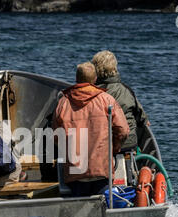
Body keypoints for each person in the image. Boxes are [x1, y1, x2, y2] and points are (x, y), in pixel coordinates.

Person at [52, 62, 129, 197]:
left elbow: (56, 136)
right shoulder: (107, 99)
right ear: (95, 79)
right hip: (102, 171)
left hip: (75, 173)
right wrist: (114, 149)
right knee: (105, 204)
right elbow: (123, 131)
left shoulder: (63, 102)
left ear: (76, 79)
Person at [91, 50, 150, 151]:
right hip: (129, 143)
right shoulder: (127, 90)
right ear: (114, 68)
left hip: (103, 145)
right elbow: (143, 120)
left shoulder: (93, 93)